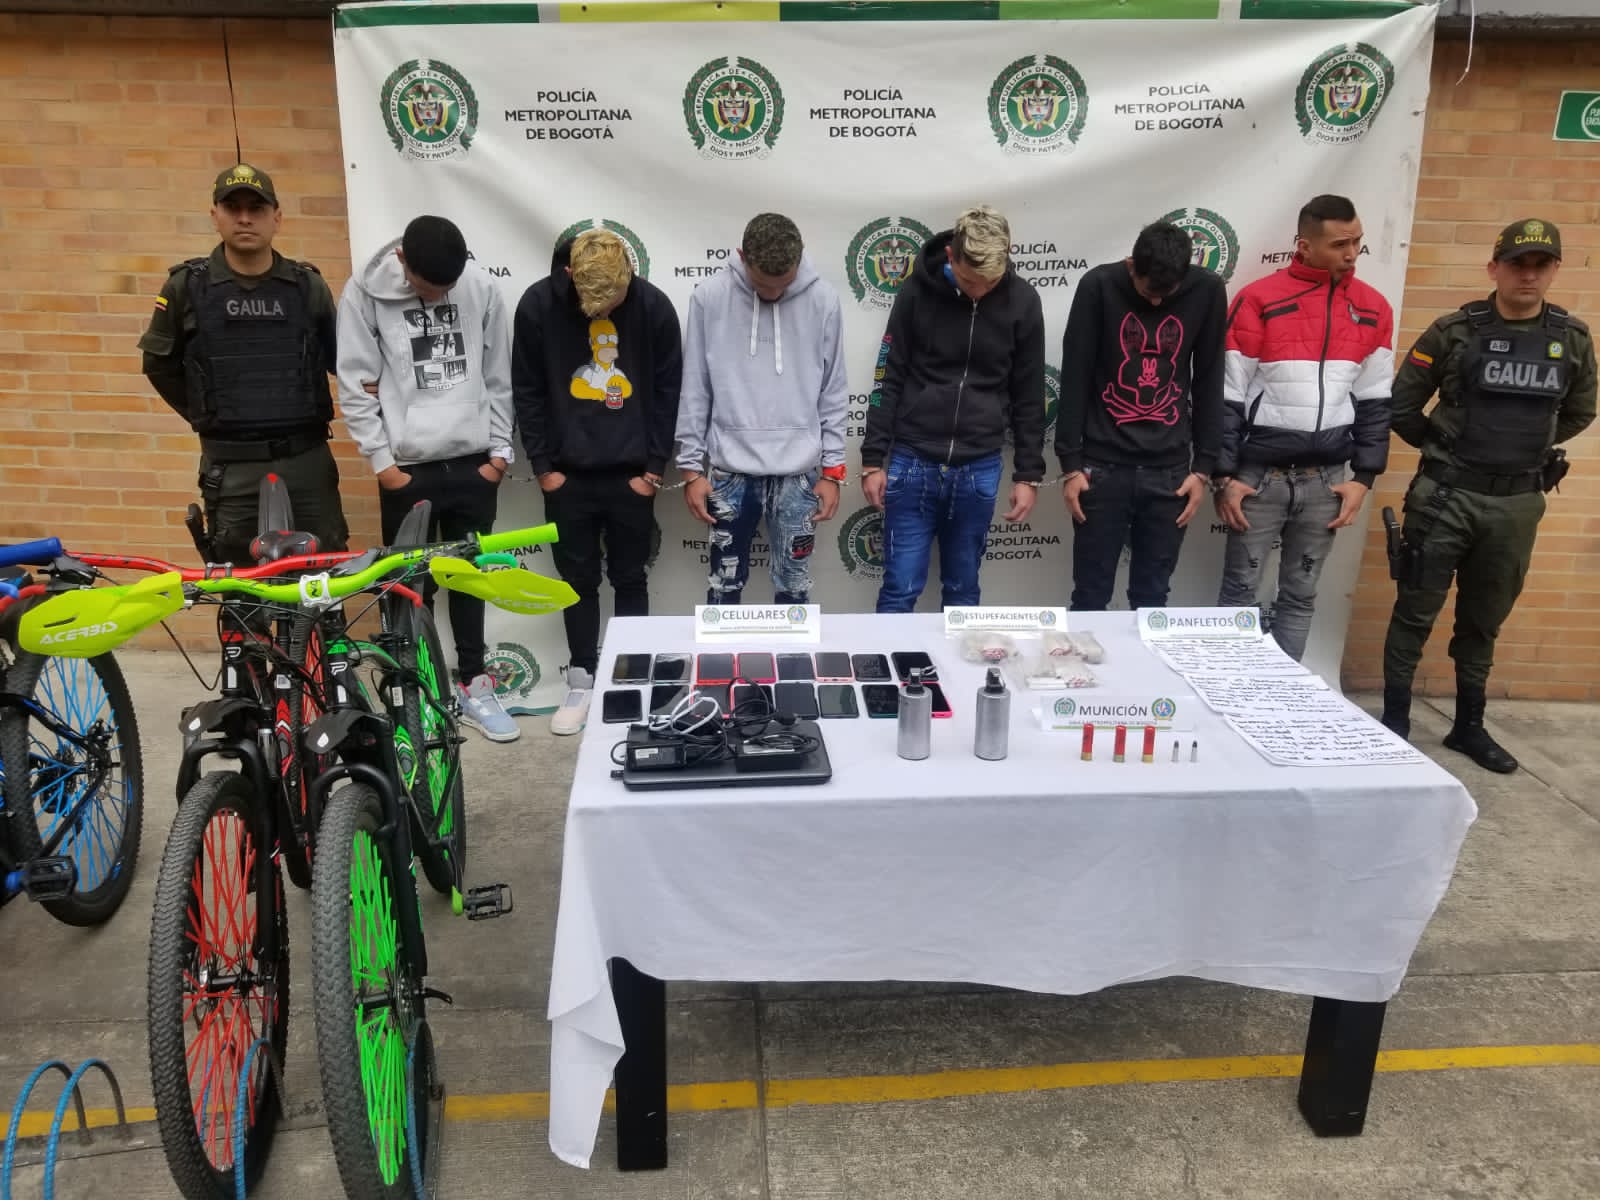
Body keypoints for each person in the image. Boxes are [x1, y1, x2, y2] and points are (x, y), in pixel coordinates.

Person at [1379, 219, 1595, 773]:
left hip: (1516, 504)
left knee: (1483, 619)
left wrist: (1525, 452)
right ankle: (1394, 724)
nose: (1528, 274)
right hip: (1447, 496)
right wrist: (1446, 450)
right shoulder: (1454, 331)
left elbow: (1579, 410)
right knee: (1414, 612)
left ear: (1553, 271)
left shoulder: (1571, 339)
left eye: (1540, 264)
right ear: (1494, 267)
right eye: (1517, 263)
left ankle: (1468, 727)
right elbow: (1402, 406)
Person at [335, 214, 521, 743]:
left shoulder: (481, 289)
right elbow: (355, 382)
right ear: (402, 263)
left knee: (469, 579)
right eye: (427, 287)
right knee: (409, 590)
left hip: (472, 462)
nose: (439, 296)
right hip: (407, 469)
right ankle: (415, 696)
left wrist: (499, 455)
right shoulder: (364, 295)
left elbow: (498, 376)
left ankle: (475, 684)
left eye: (448, 287)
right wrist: (383, 466)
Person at [512, 228, 682, 734]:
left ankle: (634, 679)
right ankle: (582, 679)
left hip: (632, 474)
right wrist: (544, 468)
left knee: (631, 578)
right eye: (595, 301)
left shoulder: (653, 307)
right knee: (578, 583)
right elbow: (528, 390)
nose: (607, 307)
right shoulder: (538, 306)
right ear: (571, 276)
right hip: (568, 478)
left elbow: (669, 389)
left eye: (617, 297)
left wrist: (654, 468)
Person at [1213, 194, 1394, 661]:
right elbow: (1228, 395)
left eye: (1357, 242)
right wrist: (1225, 476)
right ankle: (1233, 700)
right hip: (1259, 478)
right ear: (1305, 246)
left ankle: (1285, 705)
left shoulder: (1373, 307)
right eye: (1339, 244)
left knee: (1299, 595)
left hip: (1327, 481)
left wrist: (1364, 478)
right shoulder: (1258, 299)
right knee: (1239, 597)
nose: (1352, 253)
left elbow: (1375, 400)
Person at [139, 163, 347, 564]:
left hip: (306, 461)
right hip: (232, 469)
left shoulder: (307, 286)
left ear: (277, 218)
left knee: (322, 581)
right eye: (233, 207)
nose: (246, 217)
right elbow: (159, 365)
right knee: (241, 592)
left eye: (258, 208)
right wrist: (207, 409)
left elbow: (342, 360)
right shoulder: (187, 287)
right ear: (215, 215)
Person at [860, 205, 1046, 612]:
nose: (979, 291)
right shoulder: (915, 292)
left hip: (979, 466)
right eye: (968, 281)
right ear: (951, 257)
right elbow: (885, 378)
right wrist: (873, 459)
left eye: (990, 283)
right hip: (912, 463)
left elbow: (1029, 393)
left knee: (963, 593)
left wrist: (1029, 473)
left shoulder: (1024, 302)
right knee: (899, 590)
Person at [675, 213, 849, 604]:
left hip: (800, 475)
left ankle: (795, 666)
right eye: (761, 285)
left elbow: (833, 389)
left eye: (783, 286)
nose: (772, 294)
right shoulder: (710, 296)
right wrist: (690, 470)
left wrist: (834, 471)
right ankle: (722, 666)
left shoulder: (823, 299)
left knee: (795, 587)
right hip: (729, 473)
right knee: (723, 587)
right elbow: (695, 386)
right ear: (741, 256)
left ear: (799, 262)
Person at [1057, 220, 1227, 611]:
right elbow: (1075, 375)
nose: (1155, 302)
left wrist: (1203, 469)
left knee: (1152, 600)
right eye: (1149, 291)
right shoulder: (1098, 286)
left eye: (1167, 294)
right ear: (1132, 265)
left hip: (1170, 472)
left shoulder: (1207, 291)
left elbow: (1209, 378)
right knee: (1089, 596)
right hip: (1102, 467)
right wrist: (1070, 465)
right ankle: (1085, 675)